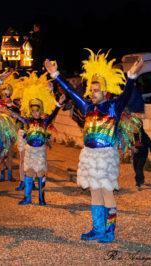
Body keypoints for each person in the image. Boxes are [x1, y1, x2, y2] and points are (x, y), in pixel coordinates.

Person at [45, 50, 143, 243]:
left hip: (105, 156)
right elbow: (72, 93)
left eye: (96, 90)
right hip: (89, 155)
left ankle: (110, 231)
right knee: (94, 192)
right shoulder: (88, 107)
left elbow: (127, 93)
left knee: (106, 192)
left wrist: (131, 76)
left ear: (104, 91)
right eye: (91, 89)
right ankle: (97, 228)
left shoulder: (114, 106)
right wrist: (56, 75)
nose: (92, 92)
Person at [12, 73, 66, 205]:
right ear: (30, 111)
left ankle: (42, 199)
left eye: (37, 110)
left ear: (40, 110)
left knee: (41, 174)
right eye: (33, 110)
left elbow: (53, 112)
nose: (35, 112)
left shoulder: (45, 121)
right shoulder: (27, 121)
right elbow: (16, 114)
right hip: (30, 151)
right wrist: (7, 106)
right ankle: (27, 198)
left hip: (40, 151)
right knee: (29, 173)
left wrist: (59, 103)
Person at [132, 125, 151, 190]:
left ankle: (138, 184)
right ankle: (142, 180)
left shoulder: (144, 136)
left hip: (143, 155)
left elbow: (150, 144)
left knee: (139, 168)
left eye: (136, 127)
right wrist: (133, 147)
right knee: (135, 168)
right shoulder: (133, 136)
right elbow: (130, 143)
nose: (134, 128)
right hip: (136, 155)